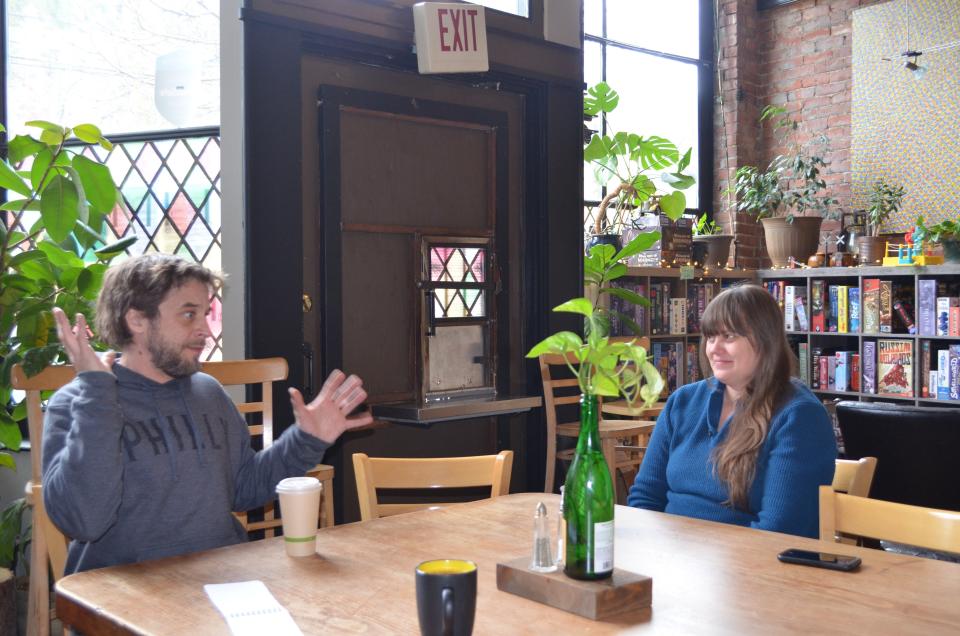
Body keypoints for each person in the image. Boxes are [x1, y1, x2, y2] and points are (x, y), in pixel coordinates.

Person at [43, 254, 373, 574]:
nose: (206, 330)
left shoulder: (208, 392)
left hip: (221, 581)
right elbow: (85, 521)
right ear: (137, 320)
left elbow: (243, 489)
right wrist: (98, 393)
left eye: (206, 314)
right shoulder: (77, 404)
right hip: (125, 601)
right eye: (189, 315)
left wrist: (306, 440)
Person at [628, 284, 836, 538]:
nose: (714, 348)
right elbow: (645, 496)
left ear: (765, 340)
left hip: (752, 569)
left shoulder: (800, 416)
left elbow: (778, 533)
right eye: (711, 337)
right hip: (671, 560)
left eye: (729, 337)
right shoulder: (683, 401)